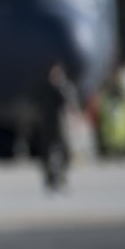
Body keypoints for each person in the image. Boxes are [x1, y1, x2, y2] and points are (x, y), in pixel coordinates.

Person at [37, 63, 80, 192]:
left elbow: (72, 104)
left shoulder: (63, 88)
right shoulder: (45, 89)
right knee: (49, 155)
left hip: (61, 126)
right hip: (48, 126)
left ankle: (61, 177)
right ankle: (51, 178)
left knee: (65, 153)